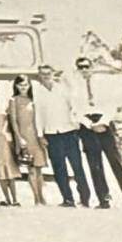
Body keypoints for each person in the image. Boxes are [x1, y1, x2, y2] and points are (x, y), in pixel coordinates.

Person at [72, 57, 122, 209]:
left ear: (92, 67)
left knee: (116, 163)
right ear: (77, 69)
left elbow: (112, 105)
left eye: (86, 66)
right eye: (80, 67)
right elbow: (75, 110)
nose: (84, 70)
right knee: (95, 166)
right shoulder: (74, 87)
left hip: (104, 124)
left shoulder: (103, 84)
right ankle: (104, 200)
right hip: (87, 126)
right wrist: (89, 124)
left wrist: (103, 122)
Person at [33, 64, 91, 207]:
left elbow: (73, 107)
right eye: (43, 74)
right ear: (39, 76)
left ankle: (85, 198)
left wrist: (76, 123)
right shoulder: (37, 92)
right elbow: (38, 115)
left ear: (53, 74)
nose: (46, 76)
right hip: (52, 134)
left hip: (69, 132)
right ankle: (68, 199)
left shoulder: (62, 89)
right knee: (59, 169)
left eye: (48, 73)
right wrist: (40, 135)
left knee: (77, 167)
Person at [8, 74, 47, 205]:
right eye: (20, 85)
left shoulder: (33, 99)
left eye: (25, 84)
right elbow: (14, 121)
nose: (23, 87)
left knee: (39, 168)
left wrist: (41, 136)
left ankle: (42, 196)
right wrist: (19, 138)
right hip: (24, 137)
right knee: (31, 168)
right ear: (16, 86)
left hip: (36, 136)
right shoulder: (14, 100)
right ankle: (36, 198)